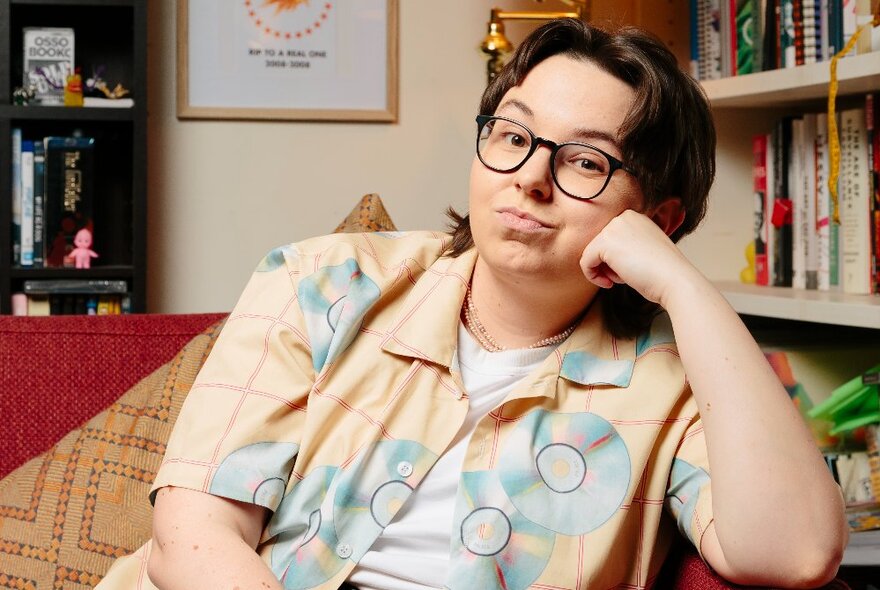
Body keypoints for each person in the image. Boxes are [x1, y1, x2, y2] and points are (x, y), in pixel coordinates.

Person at [97, 18, 847, 590]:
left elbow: (797, 551)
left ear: (658, 218)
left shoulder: (671, 376)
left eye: (584, 160)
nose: (529, 177)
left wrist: (686, 286)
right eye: (512, 135)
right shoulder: (321, 280)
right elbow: (194, 532)